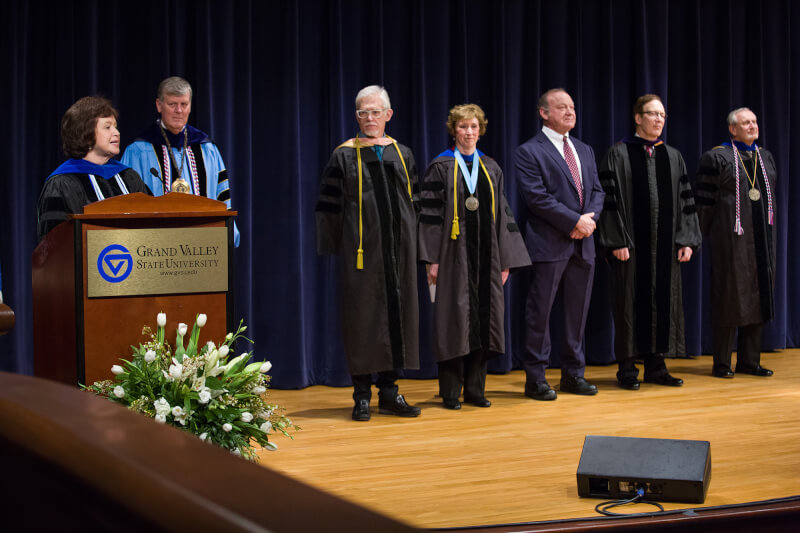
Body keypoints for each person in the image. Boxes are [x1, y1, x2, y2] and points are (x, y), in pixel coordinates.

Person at [315, 85, 421, 421]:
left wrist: (418, 245)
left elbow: (415, 204)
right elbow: (328, 208)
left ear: (388, 115)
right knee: (361, 320)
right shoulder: (343, 155)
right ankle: (361, 395)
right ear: (356, 116)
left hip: (399, 252)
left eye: (375, 112)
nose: (369, 118)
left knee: (397, 319)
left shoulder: (403, 153)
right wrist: (337, 247)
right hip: (360, 252)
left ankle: (390, 392)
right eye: (363, 112)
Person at [419, 104, 531, 410]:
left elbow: (503, 215)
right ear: (453, 130)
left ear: (480, 131)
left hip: (487, 259)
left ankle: (476, 390)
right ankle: (451, 392)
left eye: (474, 127)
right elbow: (429, 216)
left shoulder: (491, 168)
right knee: (453, 321)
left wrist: (506, 260)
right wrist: (432, 259)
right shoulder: (440, 167)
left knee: (484, 321)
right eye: (463, 127)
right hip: (452, 256)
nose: (469, 132)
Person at [597, 94, 702, 390]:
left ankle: (657, 367)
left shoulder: (673, 156)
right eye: (652, 114)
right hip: (629, 247)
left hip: (666, 249)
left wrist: (687, 240)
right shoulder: (617, 154)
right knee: (629, 304)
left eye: (662, 115)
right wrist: (616, 240)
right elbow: (608, 200)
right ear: (638, 117)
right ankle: (628, 369)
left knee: (663, 304)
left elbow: (685, 203)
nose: (658, 119)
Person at [514, 88, 605, 401]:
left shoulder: (584, 149)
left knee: (577, 314)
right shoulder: (529, 151)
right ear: (544, 112)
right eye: (561, 107)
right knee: (539, 313)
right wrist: (574, 222)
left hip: (584, 243)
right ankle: (536, 378)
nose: (569, 112)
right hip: (549, 243)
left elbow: (597, 190)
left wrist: (588, 219)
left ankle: (573, 375)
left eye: (572, 107)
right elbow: (537, 198)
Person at [694, 107, 776, 378]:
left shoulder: (764, 158)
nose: (753, 126)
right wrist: (696, 237)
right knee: (729, 298)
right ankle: (722, 363)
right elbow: (704, 203)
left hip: (762, 240)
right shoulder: (717, 157)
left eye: (755, 121)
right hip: (730, 241)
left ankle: (750, 361)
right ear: (732, 128)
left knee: (759, 295)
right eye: (746, 122)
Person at [121, 76, 240, 247]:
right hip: (154, 248)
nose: (179, 110)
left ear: (190, 106)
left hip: (202, 245)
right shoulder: (138, 150)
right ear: (159, 105)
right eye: (172, 104)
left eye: (184, 104)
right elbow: (127, 201)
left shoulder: (207, 148)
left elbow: (222, 195)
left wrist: (228, 233)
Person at [37, 96, 151, 241]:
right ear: (86, 134)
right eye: (107, 127)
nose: (117, 132)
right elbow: (53, 244)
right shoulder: (62, 183)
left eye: (115, 126)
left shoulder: (128, 177)